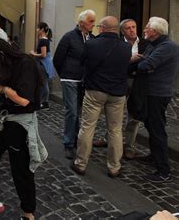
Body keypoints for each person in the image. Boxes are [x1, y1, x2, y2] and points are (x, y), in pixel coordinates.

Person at [0, 38, 47, 220]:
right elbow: (2, 82)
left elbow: (25, 100)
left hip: (21, 123)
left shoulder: (25, 64)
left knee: (21, 170)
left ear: (0, 54)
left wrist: (3, 89)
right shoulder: (5, 64)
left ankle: (28, 214)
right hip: (5, 118)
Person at [71, 16, 131, 178]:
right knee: (115, 130)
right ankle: (114, 167)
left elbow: (83, 62)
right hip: (117, 93)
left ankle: (81, 163)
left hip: (95, 90)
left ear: (102, 28)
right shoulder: (126, 47)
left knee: (88, 127)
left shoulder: (91, 44)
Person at [134, 17, 179, 183]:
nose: (144, 29)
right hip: (151, 92)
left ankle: (163, 170)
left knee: (157, 129)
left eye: (147, 27)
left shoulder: (167, 47)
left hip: (158, 94)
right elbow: (146, 62)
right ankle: (154, 157)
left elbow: (144, 65)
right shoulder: (155, 45)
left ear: (155, 31)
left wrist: (142, 61)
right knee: (151, 126)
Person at [53, 9, 96, 159]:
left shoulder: (92, 38)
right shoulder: (69, 37)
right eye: (91, 21)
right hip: (69, 79)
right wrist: (65, 75)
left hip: (84, 81)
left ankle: (78, 139)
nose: (93, 24)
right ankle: (68, 143)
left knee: (79, 112)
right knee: (71, 111)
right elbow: (57, 59)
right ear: (81, 23)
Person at [120, 19, 150, 160]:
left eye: (134, 27)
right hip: (121, 80)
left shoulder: (145, 44)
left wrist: (133, 64)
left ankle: (129, 146)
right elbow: (117, 65)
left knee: (134, 116)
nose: (132, 30)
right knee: (115, 113)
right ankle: (111, 140)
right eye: (128, 28)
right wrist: (131, 61)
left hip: (138, 82)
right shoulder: (119, 45)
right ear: (122, 31)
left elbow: (146, 63)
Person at [30, 22, 55, 110]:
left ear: (42, 30)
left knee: (44, 83)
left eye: (38, 28)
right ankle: (40, 102)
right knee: (42, 83)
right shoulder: (44, 40)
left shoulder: (43, 40)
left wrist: (33, 54)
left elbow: (43, 54)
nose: (36, 30)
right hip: (43, 64)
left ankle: (45, 102)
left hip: (43, 64)